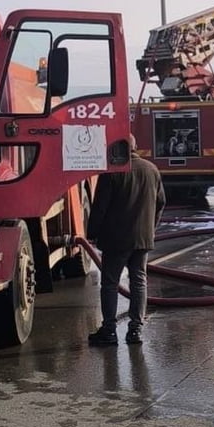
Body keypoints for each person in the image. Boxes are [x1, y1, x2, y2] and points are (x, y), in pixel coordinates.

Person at [86, 135, 165, 346]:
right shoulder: (152, 170)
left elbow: (100, 207)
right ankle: (136, 331)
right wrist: (151, 228)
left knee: (110, 284)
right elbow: (161, 202)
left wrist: (92, 232)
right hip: (142, 239)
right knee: (139, 282)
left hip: (115, 240)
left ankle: (109, 330)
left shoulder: (112, 173)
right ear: (135, 147)